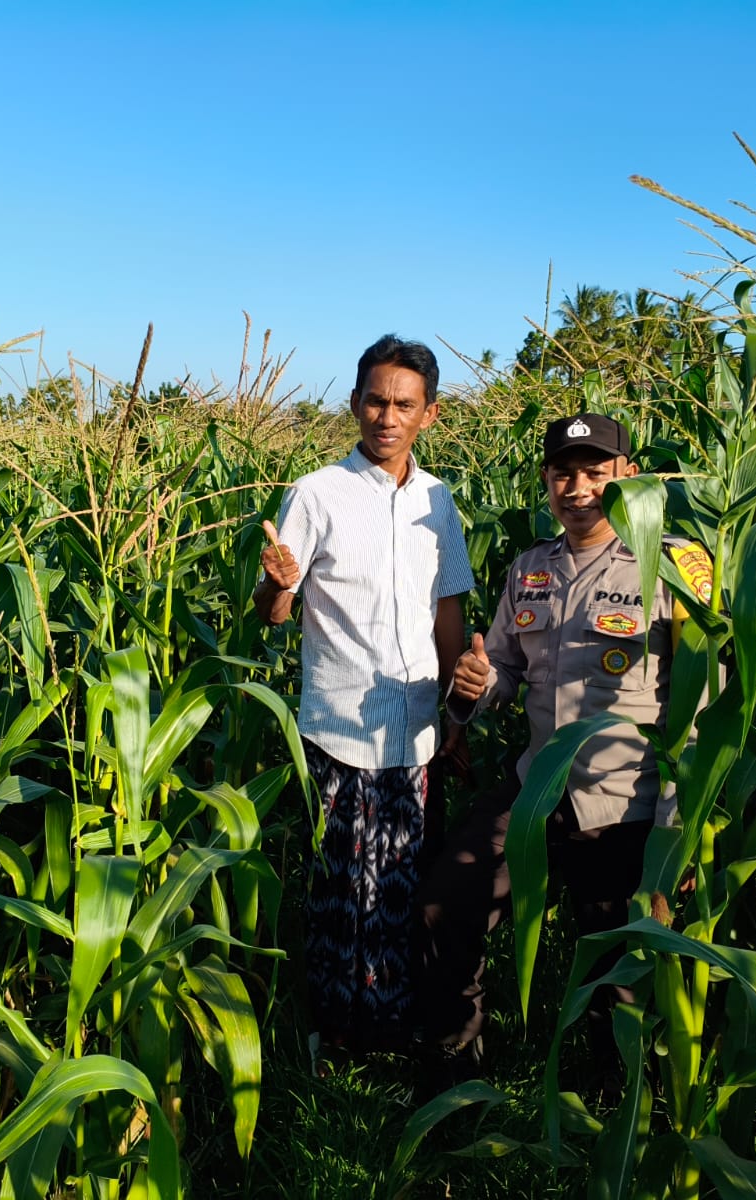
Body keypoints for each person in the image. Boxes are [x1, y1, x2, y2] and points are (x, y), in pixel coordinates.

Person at [413, 411, 711, 1084]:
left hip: (627, 802)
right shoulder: (531, 569)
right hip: (539, 791)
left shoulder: (675, 567)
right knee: (444, 903)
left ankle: (620, 1102)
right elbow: (504, 669)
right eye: (562, 474)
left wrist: (678, 830)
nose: (577, 490)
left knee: (619, 975)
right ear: (546, 479)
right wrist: (477, 683)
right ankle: (456, 1063)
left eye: (595, 473)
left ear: (630, 476)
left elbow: (702, 710)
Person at [252, 333, 473, 1062]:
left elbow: (448, 610)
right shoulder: (316, 494)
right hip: (341, 731)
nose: (387, 417)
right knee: (343, 892)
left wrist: (457, 716)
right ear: (354, 404)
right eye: (376, 401)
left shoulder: (438, 501)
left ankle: (392, 1025)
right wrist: (278, 586)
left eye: (404, 405)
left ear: (429, 415)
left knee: (402, 884)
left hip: (415, 732)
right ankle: (337, 1029)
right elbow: (274, 612)